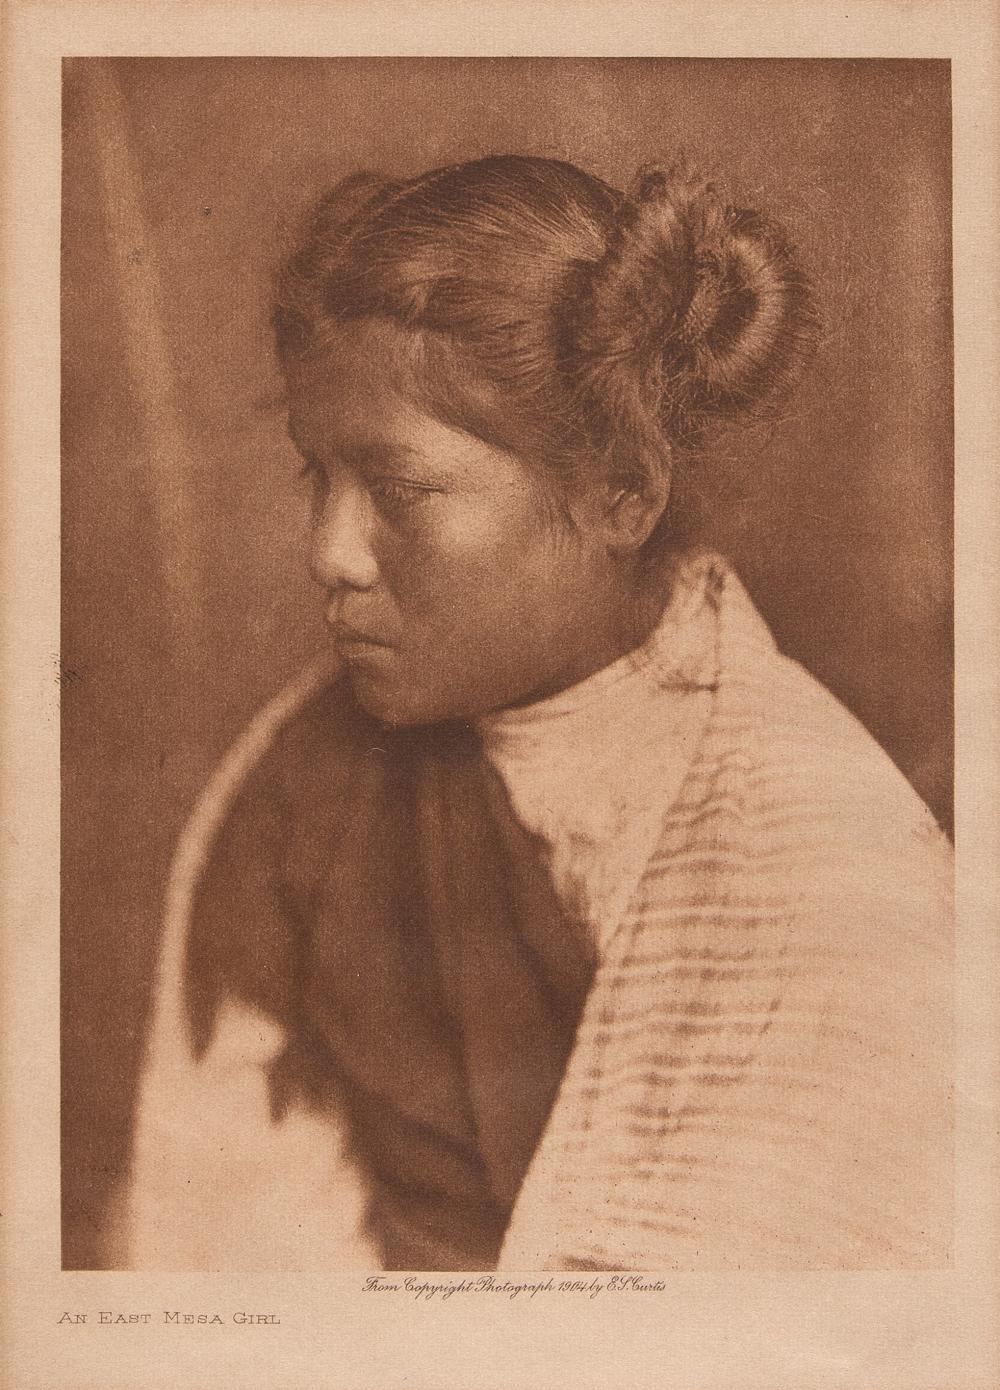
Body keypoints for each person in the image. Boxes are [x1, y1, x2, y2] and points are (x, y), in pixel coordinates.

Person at [122, 155, 952, 1272]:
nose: (328, 552)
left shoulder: (824, 854)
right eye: (313, 477)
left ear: (621, 493)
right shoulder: (295, 788)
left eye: (402, 490)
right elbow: (219, 1239)